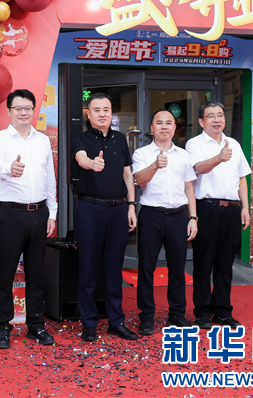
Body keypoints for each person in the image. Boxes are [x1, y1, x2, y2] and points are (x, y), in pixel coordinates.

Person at [0, 89, 57, 349]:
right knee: (6, 271)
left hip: (39, 212)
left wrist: (52, 212)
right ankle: (2, 327)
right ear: (9, 111)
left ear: (33, 110)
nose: (24, 112)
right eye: (18, 108)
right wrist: (10, 168)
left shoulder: (42, 140)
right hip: (11, 214)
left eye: (28, 108)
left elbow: (49, 177)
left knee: (36, 272)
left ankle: (36, 326)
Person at [71, 93, 138, 342]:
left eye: (106, 110)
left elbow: (127, 175)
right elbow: (81, 159)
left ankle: (116, 322)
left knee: (114, 269)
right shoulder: (80, 138)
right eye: (97, 110)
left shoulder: (120, 139)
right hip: (90, 209)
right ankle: (89, 323)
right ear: (88, 114)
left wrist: (131, 206)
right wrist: (91, 163)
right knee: (88, 268)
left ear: (112, 113)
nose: (102, 114)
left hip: (119, 209)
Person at [185, 101, 251, 329]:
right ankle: (202, 312)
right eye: (211, 116)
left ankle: (222, 311)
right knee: (204, 262)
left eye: (220, 115)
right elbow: (198, 168)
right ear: (201, 121)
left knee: (225, 263)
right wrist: (219, 158)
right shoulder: (194, 144)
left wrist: (245, 207)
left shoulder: (234, 144)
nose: (216, 119)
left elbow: (242, 178)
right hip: (207, 208)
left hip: (231, 210)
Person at [132, 109, 198, 336]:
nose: (164, 127)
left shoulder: (184, 155)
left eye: (168, 123)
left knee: (177, 268)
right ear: (152, 128)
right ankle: (146, 316)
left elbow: (189, 187)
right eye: (159, 123)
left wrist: (193, 217)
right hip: (152, 215)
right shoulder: (141, 153)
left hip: (179, 216)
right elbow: (138, 180)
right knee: (146, 267)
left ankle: (177, 314)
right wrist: (155, 165)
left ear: (174, 128)